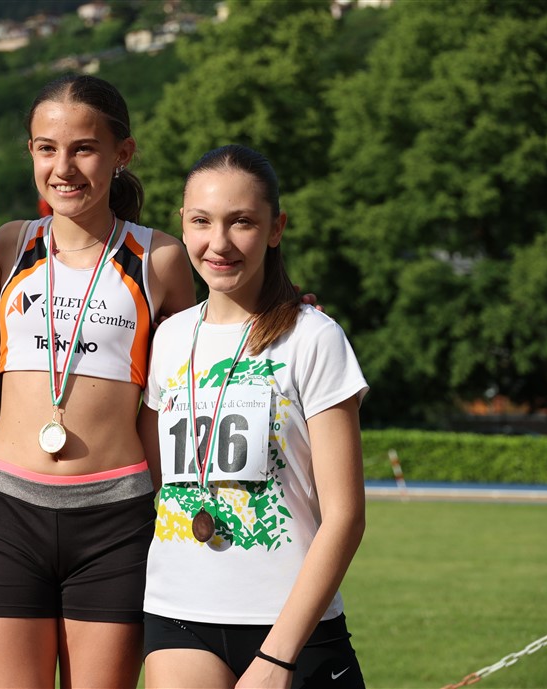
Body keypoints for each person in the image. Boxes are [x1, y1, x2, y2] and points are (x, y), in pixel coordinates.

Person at [0, 74, 198, 689]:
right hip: (5, 512)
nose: (63, 167)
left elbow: (199, 363)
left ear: (123, 153)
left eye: (84, 149)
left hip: (113, 519)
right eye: (46, 148)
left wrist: (287, 311)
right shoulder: (11, 243)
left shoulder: (161, 259)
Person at [137, 144, 367, 688]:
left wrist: (278, 658)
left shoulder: (314, 338)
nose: (218, 243)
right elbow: (155, 477)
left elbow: (346, 516)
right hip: (178, 614)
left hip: (292, 627)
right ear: (183, 224)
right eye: (202, 221)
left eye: (241, 222)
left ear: (275, 228)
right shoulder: (169, 338)